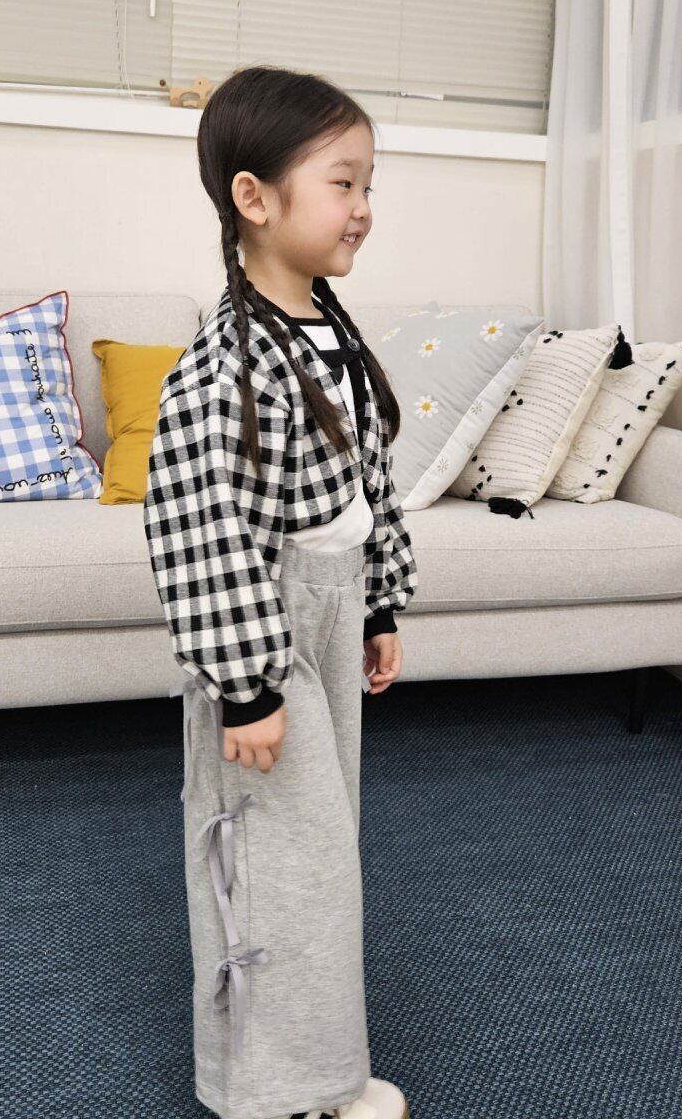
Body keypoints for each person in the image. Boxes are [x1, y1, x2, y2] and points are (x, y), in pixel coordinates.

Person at [142, 65, 418, 1119]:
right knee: (270, 858)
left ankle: (317, 1073)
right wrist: (248, 686)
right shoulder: (225, 365)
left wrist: (379, 602)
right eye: (343, 183)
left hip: (330, 608)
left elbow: (366, 484)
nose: (363, 206)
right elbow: (197, 526)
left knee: (321, 856)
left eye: (368, 184)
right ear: (253, 197)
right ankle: (270, 1092)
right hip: (263, 625)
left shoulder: (328, 330)